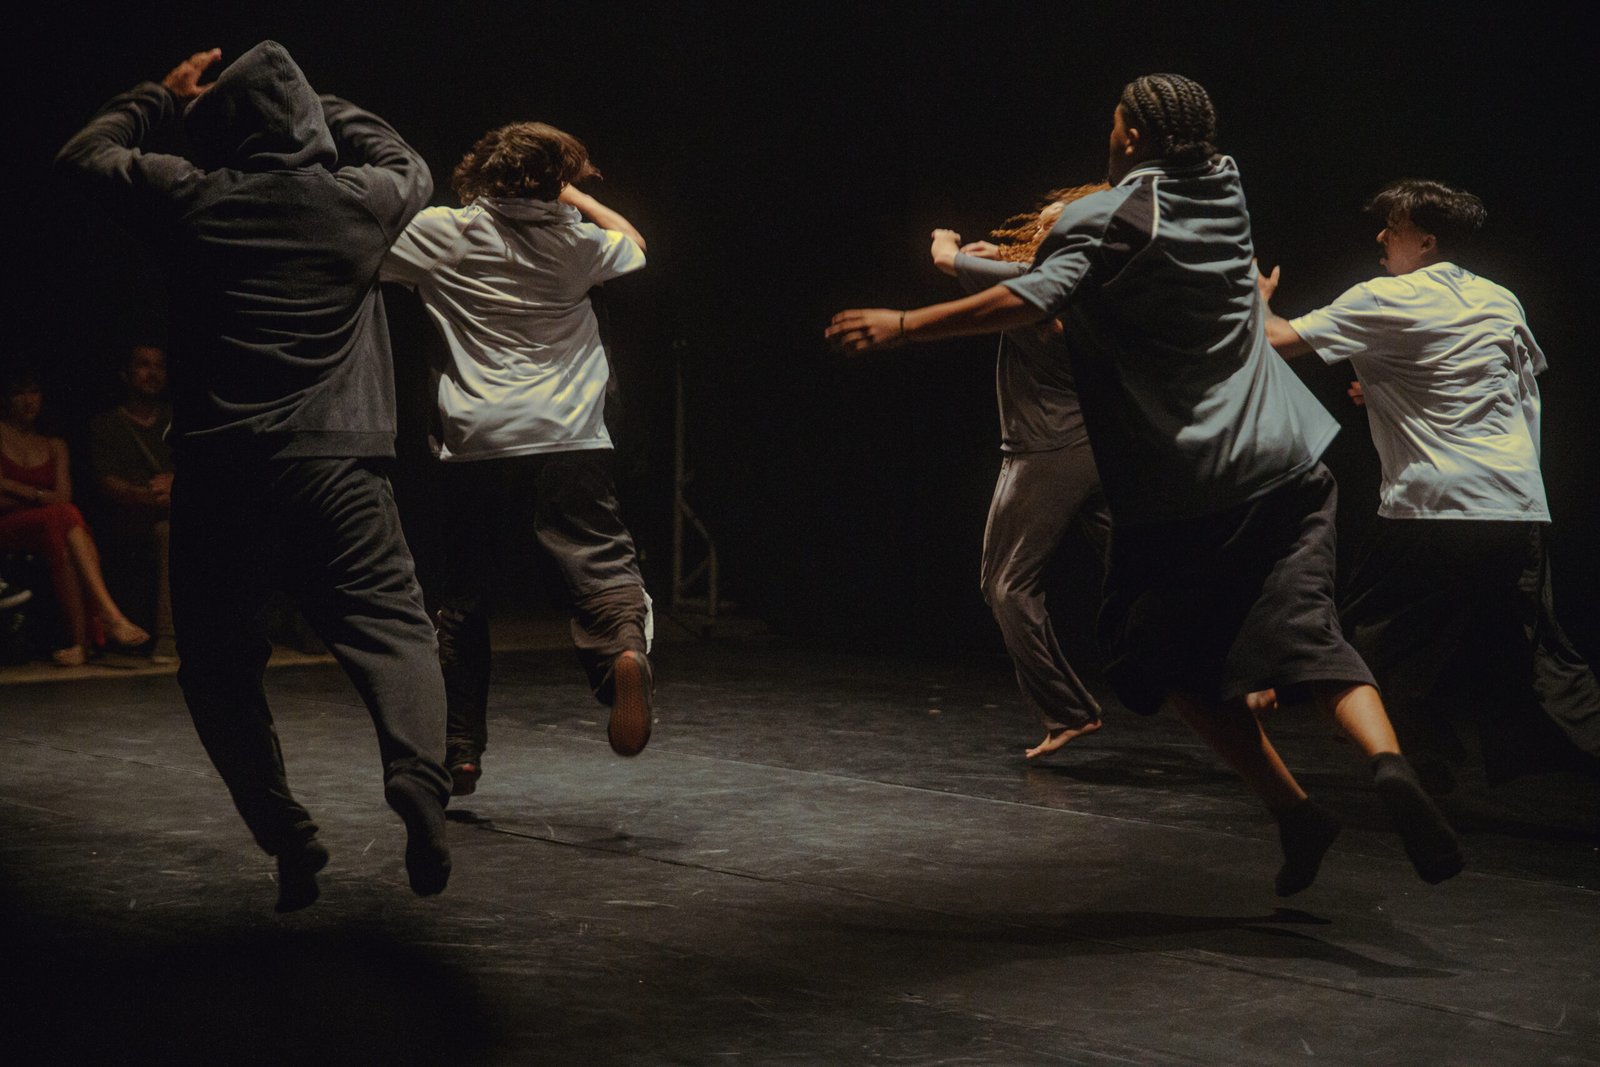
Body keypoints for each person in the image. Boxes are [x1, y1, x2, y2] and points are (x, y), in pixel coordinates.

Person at [827, 74, 1463, 893]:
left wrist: (906, 322)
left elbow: (1035, 295)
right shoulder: (1226, 187)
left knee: (1161, 659)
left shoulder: (1108, 217)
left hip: (1190, 485)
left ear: (1130, 135)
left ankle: (1293, 806)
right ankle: (1386, 763)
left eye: (1115, 122)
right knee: (1313, 637)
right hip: (1293, 462)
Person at [56, 43, 452, 911]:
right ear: (307, 122)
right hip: (339, 465)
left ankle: (283, 827)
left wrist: (163, 97)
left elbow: (84, 156)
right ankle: (418, 779)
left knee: (217, 666)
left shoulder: (196, 198)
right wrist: (321, 101)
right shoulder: (357, 202)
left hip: (223, 472)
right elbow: (409, 163)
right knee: (393, 629)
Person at [1259, 178, 1600, 788]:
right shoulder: (1501, 298)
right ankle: (1441, 751)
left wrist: (1258, 301)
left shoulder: (1387, 295)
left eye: (1394, 227)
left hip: (1434, 505)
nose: (1381, 236)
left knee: (1366, 638)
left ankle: (1417, 754)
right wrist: (1385, 390)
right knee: (1542, 658)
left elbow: (1277, 341)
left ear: (1428, 241)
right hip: (1516, 503)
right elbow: (1492, 382)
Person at [381, 121, 654, 796]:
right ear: (556, 182)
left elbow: (371, 264)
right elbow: (636, 244)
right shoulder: (578, 242)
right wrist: (575, 198)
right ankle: (622, 652)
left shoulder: (443, 232)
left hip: (480, 438)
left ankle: (459, 749)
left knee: (464, 594)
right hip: (571, 433)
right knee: (601, 564)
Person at [926, 184, 1113, 759]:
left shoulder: (1038, 285)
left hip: (1046, 450)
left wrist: (947, 241)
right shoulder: (1090, 284)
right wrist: (993, 258)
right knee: (1142, 575)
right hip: (1096, 448)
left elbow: (945, 259)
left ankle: (1067, 710)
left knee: (1006, 584)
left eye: (1049, 226)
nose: (1041, 227)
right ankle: (1244, 673)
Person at [0, 369, 150, 665]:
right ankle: (108, 616)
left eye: (34, 391)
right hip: (8, 527)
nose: (28, 400)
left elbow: (63, 496)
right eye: (19, 393)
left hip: (48, 527)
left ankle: (79, 645)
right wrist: (42, 496)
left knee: (64, 531)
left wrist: (11, 486)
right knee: (66, 518)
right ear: (5, 398)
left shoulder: (55, 445)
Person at [87, 344, 176, 661]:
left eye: (159, 366)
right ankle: (168, 636)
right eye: (144, 365)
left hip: (178, 511)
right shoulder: (107, 425)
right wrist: (148, 495)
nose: (153, 373)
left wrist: (177, 486)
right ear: (125, 374)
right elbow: (107, 483)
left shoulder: (177, 419)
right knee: (167, 532)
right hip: (133, 519)